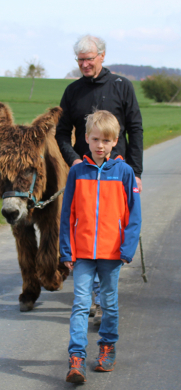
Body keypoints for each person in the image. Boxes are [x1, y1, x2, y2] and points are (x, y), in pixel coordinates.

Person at [59, 111, 141, 383]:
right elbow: (67, 213)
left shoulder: (124, 172)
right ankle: (77, 358)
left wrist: (127, 249)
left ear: (115, 141)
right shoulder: (77, 172)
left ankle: (107, 347)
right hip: (82, 252)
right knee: (81, 304)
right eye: (95, 139)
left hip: (112, 253)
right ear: (86, 138)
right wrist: (66, 249)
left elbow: (133, 214)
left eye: (106, 140)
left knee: (109, 303)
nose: (100, 145)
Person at [55, 34, 143, 192]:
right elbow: (61, 133)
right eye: (80, 60)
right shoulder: (72, 91)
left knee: (117, 216)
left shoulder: (122, 86)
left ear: (102, 55)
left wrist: (135, 173)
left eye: (89, 59)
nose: (85, 64)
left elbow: (135, 130)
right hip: (84, 172)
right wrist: (74, 160)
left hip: (118, 171)